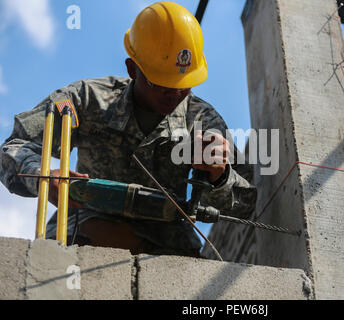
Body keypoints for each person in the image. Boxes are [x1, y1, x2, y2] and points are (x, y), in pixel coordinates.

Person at [0, 1, 256, 257]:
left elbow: (245, 204)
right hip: (84, 231)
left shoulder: (202, 120)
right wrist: (43, 176)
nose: (175, 94)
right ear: (132, 69)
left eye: (184, 84)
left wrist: (219, 177)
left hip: (168, 248)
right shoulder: (87, 100)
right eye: (163, 84)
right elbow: (13, 148)